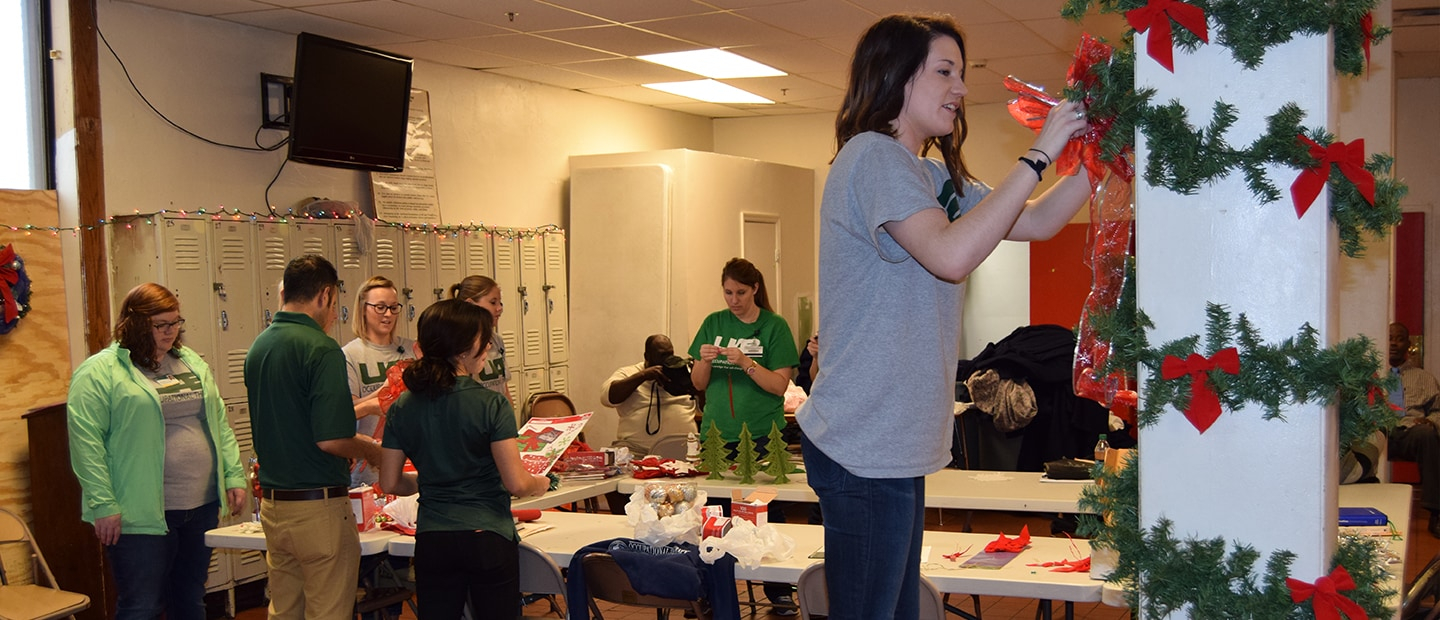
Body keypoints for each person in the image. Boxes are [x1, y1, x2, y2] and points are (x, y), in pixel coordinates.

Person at [795, 14, 1091, 619]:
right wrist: (1039, 153)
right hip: (863, 439)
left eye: (962, 72)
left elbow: (1032, 220)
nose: (960, 87)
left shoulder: (929, 174)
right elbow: (952, 256)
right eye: (945, 71)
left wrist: (1093, 167)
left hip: (893, 440)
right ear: (897, 77)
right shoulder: (872, 157)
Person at [66, 283, 248, 620]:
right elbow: (86, 443)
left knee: (190, 598)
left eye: (176, 322)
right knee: (142, 606)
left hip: (200, 505)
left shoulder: (189, 361)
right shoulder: (100, 372)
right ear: (135, 323)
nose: (171, 332)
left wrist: (233, 474)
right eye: (161, 325)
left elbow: (218, 421)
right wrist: (103, 503)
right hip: (141, 515)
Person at [379, 299, 550, 619]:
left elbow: (390, 482)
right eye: (484, 340)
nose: (487, 347)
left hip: (433, 539)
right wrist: (540, 483)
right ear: (467, 346)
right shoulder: (491, 404)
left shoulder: (404, 405)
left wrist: (428, 479)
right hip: (487, 536)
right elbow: (516, 482)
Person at [246, 255, 386, 620]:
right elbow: (332, 439)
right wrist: (371, 450)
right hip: (319, 506)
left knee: (285, 611)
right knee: (328, 612)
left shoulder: (259, 346)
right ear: (325, 295)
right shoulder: (320, 347)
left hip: (276, 507)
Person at [688, 257, 799, 613]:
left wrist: (746, 364)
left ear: (754, 289)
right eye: (727, 292)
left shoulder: (774, 326)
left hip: (763, 435)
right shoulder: (713, 323)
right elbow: (698, 384)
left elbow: (779, 385)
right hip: (717, 435)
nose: (733, 300)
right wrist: (703, 361)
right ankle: (711, 590)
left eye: (740, 292)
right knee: (712, 516)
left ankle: (778, 590)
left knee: (765, 513)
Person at [343, 275, 417, 488]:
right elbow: (348, 410)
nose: (388, 314)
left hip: (411, 463)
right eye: (380, 307)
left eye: (394, 308)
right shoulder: (349, 354)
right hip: (368, 470)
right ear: (363, 308)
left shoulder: (412, 350)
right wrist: (384, 394)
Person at [601, 334, 699, 455]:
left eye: (670, 354)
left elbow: (708, 406)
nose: (668, 359)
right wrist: (643, 376)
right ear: (647, 356)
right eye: (662, 355)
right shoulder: (629, 373)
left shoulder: (683, 372)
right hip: (636, 450)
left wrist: (697, 385)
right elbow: (608, 398)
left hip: (683, 449)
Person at [1385, 322, 1440, 537]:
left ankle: (1436, 513)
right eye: (1389, 337)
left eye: (1399, 339)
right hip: (1381, 430)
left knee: (1428, 435)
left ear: (1408, 344)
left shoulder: (1424, 377)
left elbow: (1437, 410)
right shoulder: (1373, 376)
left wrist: (1432, 421)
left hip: (1410, 432)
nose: (1393, 343)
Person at [450, 275, 513, 403]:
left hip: (497, 415)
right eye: (493, 302)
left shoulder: (497, 341)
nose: (499, 308)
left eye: (500, 302)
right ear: (470, 304)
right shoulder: (458, 344)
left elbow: (504, 389)